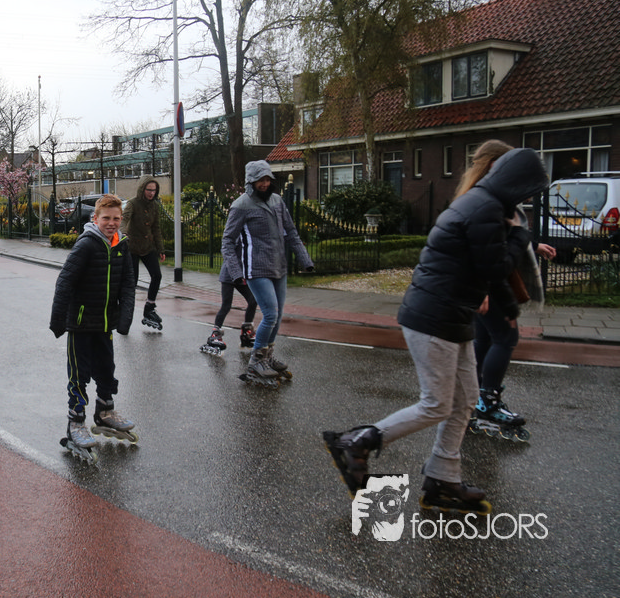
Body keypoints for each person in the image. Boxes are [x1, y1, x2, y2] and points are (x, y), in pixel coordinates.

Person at [323, 146, 549, 514]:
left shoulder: (484, 204)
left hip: (451, 314)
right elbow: (494, 267)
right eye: (527, 191)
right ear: (516, 182)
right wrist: (520, 239)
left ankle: (443, 476)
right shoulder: (485, 209)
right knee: (437, 404)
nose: (526, 199)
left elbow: (485, 270)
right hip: (434, 317)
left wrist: (508, 306)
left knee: (465, 399)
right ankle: (358, 441)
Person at [455, 140, 556, 440]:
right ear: (495, 166)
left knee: (485, 339)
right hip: (489, 284)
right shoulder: (487, 200)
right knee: (505, 337)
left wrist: (532, 246)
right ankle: (486, 401)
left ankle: (472, 398)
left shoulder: (479, 195)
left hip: (485, 283)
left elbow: (501, 237)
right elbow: (479, 246)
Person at [50, 194, 137, 459]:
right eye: (106, 218)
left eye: (116, 218)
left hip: (104, 323)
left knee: (106, 370)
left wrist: (124, 319)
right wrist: (58, 320)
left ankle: (105, 411)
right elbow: (65, 282)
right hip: (80, 323)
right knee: (80, 375)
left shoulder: (121, 245)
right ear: (95, 218)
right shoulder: (86, 244)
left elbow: (128, 283)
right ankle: (75, 422)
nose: (111, 223)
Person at [222, 161, 314, 385]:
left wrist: (305, 260)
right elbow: (227, 241)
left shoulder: (277, 201)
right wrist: (236, 272)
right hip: (256, 268)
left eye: (267, 180)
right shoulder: (241, 205)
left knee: (278, 315)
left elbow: (291, 231)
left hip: (279, 267)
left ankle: (267, 356)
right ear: (251, 182)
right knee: (270, 314)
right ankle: (255, 362)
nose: (264, 184)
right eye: (260, 181)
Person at [201, 235, 260, 356]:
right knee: (226, 305)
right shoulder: (238, 234)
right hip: (229, 274)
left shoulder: (252, 235)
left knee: (253, 300)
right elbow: (228, 251)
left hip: (242, 276)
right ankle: (215, 334)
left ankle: (247, 331)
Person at [121, 176, 166, 330]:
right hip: (132, 247)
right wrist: (123, 234)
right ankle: (126, 313)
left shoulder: (155, 206)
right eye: (149, 190)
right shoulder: (133, 203)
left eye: (154, 190)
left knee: (157, 275)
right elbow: (125, 219)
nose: (151, 193)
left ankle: (149, 308)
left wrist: (160, 249)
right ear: (142, 189)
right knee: (132, 282)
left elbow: (156, 229)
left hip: (148, 247)